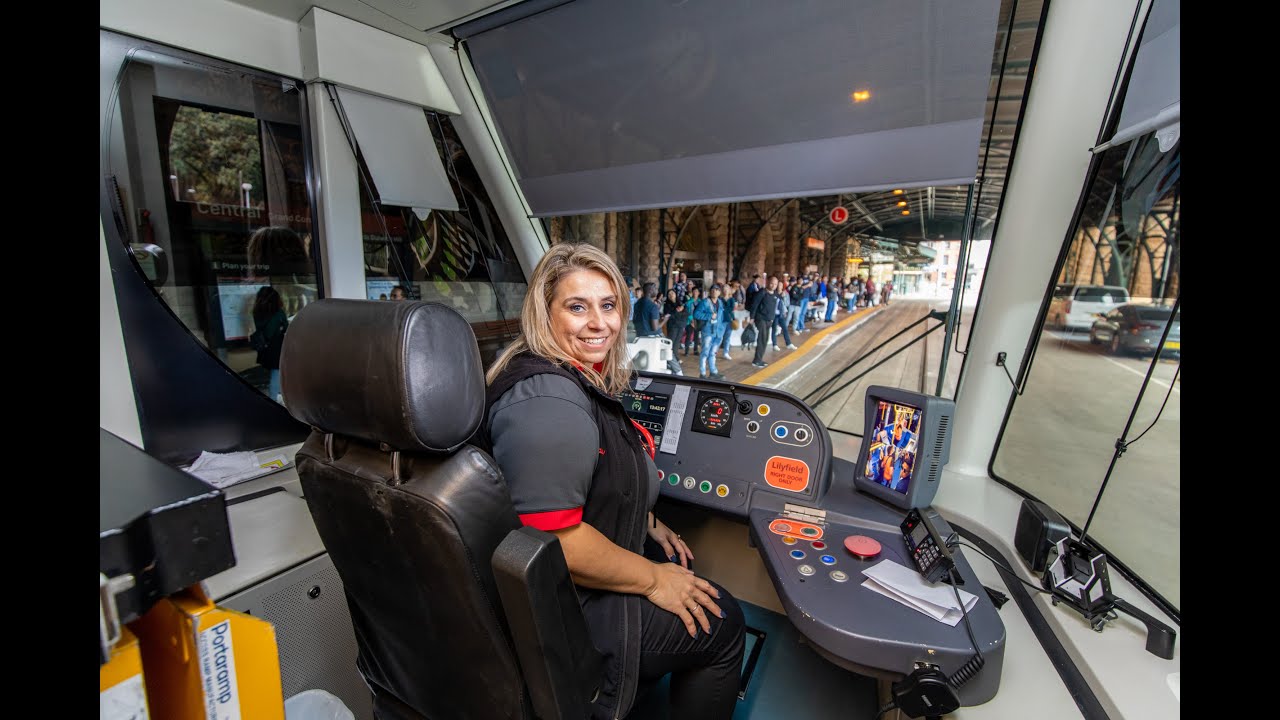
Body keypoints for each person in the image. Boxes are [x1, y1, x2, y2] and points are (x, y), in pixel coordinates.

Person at [480, 243, 745, 720]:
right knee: (723, 624)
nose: (599, 323)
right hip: (569, 616)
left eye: (608, 306)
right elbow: (556, 539)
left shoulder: (567, 378)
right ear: (545, 313)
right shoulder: (548, 402)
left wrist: (643, 518)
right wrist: (652, 581)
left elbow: (593, 473)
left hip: (560, 593)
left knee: (673, 558)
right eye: (577, 307)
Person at [251, 286, 288, 403]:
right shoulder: (278, 313)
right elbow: (285, 328)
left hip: (265, 349)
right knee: (276, 373)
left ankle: (278, 395)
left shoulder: (257, 312)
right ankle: (273, 400)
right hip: (276, 349)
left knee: (275, 373)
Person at [693, 284, 725, 379]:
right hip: (707, 331)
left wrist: (722, 329)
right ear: (710, 292)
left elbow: (721, 317)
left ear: (719, 292)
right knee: (705, 352)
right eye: (712, 289)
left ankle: (713, 372)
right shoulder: (705, 302)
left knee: (713, 353)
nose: (714, 291)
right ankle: (702, 374)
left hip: (718, 332)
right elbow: (696, 314)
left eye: (716, 289)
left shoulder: (720, 302)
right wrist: (709, 316)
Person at [748, 276, 779, 367]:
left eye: (775, 284)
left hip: (769, 320)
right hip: (761, 319)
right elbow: (754, 305)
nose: (773, 285)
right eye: (772, 283)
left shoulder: (774, 294)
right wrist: (752, 317)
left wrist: (772, 318)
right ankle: (757, 360)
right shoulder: (762, 293)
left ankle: (759, 359)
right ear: (768, 282)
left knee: (764, 340)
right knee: (762, 339)